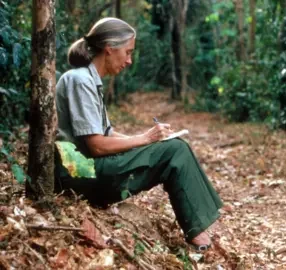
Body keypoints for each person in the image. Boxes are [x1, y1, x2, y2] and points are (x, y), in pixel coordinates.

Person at [54, 18, 223, 251]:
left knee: (174, 146)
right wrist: (146, 139)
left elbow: (107, 133)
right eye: (127, 52)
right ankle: (199, 235)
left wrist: (150, 139)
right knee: (175, 151)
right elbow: (96, 146)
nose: (129, 60)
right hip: (78, 172)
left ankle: (202, 227)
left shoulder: (89, 80)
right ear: (110, 49)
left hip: (88, 167)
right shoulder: (80, 79)